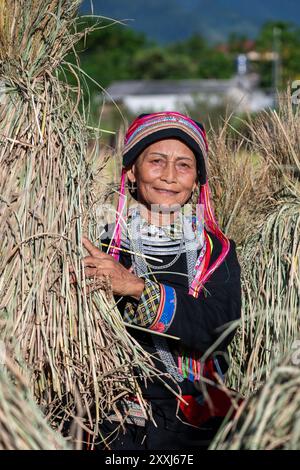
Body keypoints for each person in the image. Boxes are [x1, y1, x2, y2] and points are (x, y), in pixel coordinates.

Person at [81, 111, 242, 450]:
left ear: (197, 178)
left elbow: (219, 329)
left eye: (183, 165)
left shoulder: (215, 251)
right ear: (131, 171)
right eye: (156, 161)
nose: (169, 176)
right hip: (114, 422)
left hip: (195, 423)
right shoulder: (100, 245)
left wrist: (136, 288)